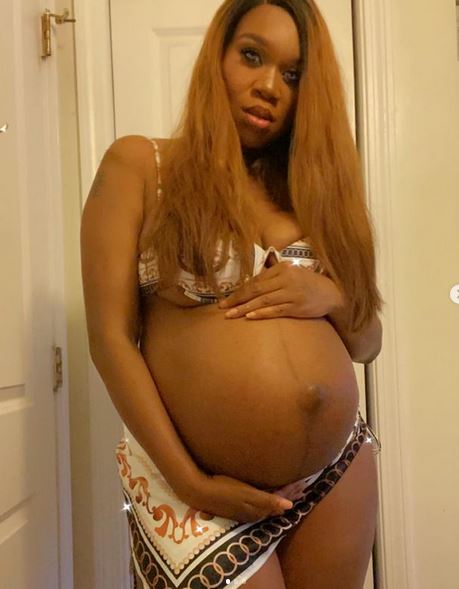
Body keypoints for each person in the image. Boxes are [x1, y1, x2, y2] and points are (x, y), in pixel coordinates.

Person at [80, 0, 384, 587]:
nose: (269, 86)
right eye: (251, 56)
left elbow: (368, 344)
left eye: (292, 74)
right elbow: (110, 340)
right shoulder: (142, 165)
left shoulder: (316, 197)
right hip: (195, 484)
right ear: (216, 58)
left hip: (335, 471)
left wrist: (330, 296)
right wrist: (190, 481)